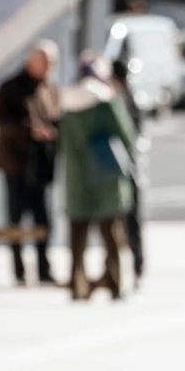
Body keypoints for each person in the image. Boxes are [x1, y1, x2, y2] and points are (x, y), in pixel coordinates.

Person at [59, 54, 138, 301]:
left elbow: (61, 143)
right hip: (107, 174)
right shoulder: (107, 101)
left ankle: (77, 283)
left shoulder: (68, 104)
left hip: (77, 176)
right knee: (111, 235)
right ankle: (114, 283)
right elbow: (127, 135)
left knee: (77, 236)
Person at [0, 40, 61, 286]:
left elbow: (56, 120)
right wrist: (31, 132)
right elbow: (4, 123)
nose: (50, 67)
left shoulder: (49, 89)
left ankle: (44, 269)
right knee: (16, 219)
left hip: (41, 165)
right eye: (46, 62)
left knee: (43, 220)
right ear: (32, 61)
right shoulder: (10, 88)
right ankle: (19, 270)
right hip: (16, 164)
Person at [111, 59, 146, 287]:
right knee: (124, 222)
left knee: (129, 220)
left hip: (125, 168)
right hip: (124, 168)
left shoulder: (123, 101)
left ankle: (135, 267)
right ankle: (130, 268)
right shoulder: (125, 99)